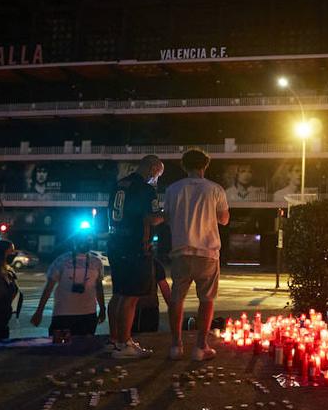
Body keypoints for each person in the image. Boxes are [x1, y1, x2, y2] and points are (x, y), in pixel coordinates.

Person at [164, 148, 229, 360]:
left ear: (184, 166)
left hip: (181, 251)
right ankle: (200, 347)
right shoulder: (215, 189)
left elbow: (166, 217)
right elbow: (224, 219)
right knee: (207, 300)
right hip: (208, 253)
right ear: (205, 166)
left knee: (177, 299)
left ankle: (176, 345)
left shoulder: (173, 189)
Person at [105, 155, 167, 357]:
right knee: (130, 297)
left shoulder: (119, 184)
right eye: (157, 173)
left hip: (115, 243)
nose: (156, 178)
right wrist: (165, 214)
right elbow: (153, 217)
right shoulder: (146, 189)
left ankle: (113, 340)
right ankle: (125, 344)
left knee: (118, 293)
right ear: (152, 169)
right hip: (135, 245)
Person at [31, 237, 105, 339]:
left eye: (87, 241)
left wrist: (102, 309)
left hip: (87, 314)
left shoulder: (96, 262)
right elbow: (49, 287)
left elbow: (99, 288)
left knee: (84, 348)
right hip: (63, 314)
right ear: (74, 242)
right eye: (82, 240)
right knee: (60, 350)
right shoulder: (62, 260)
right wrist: (39, 311)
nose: (84, 243)